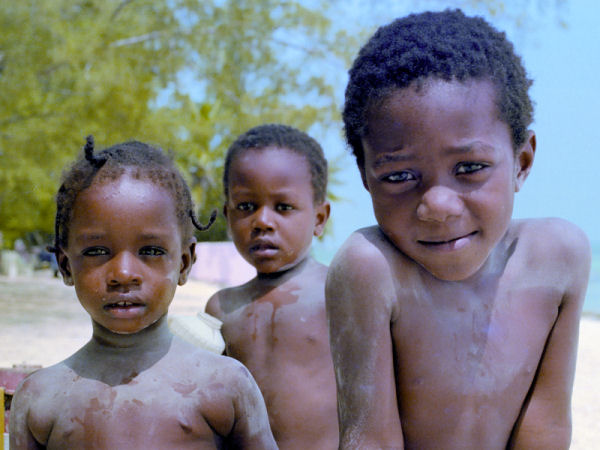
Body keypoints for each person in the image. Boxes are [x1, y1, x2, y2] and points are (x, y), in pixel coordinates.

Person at [326, 9, 591, 449]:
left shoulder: (559, 258)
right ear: (366, 175)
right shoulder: (370, 270)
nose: (437, 206)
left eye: (469, 168)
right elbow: (369, 439)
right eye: (399, 176)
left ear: (522, 162)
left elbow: (546, 427)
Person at [10, 137, 276, 449]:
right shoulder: (41, 398)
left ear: (184, 263)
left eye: (150, 250)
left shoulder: (225, 384)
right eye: (97, 251)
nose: (123, 274)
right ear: (66, 266)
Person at [205, 124, 338, 449]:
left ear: (319, 218)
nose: (262, 221)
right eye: (246, 207)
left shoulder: (338, 292)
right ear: (227, 214)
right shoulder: (222, 307)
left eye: (283, 207)